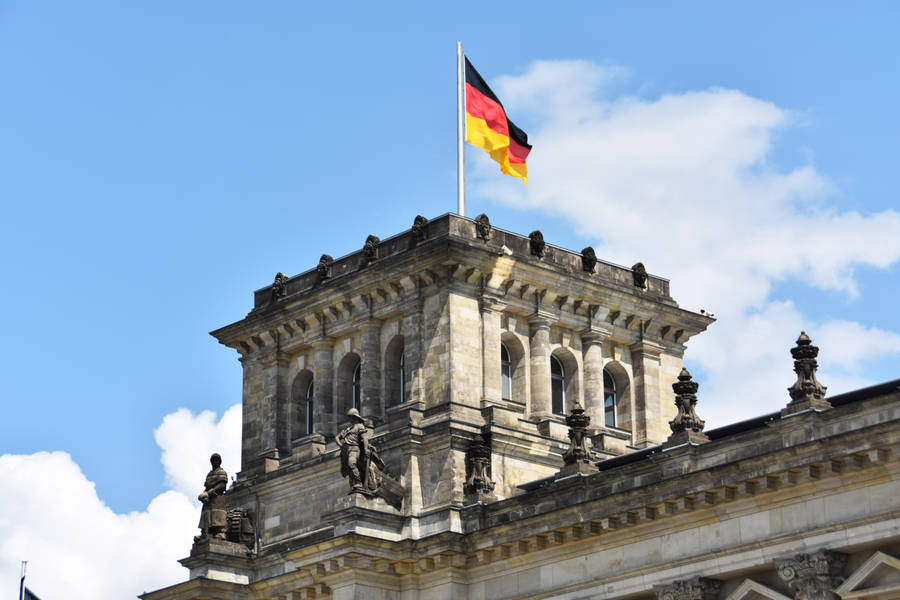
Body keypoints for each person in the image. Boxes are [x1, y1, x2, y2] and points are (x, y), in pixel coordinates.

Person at [195, 453, 228, 541]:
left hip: (217, 497)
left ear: (220, 462)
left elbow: (222, 485)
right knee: (207, 515)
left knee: (217, 516)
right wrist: (203, 495)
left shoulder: (222, 472)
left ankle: (220, 533)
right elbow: (207, 486)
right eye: (213, 460)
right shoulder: (209, 474)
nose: (215, 462)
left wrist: (210, 493)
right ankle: (205, 533)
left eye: (217, 460)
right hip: (208, 499)